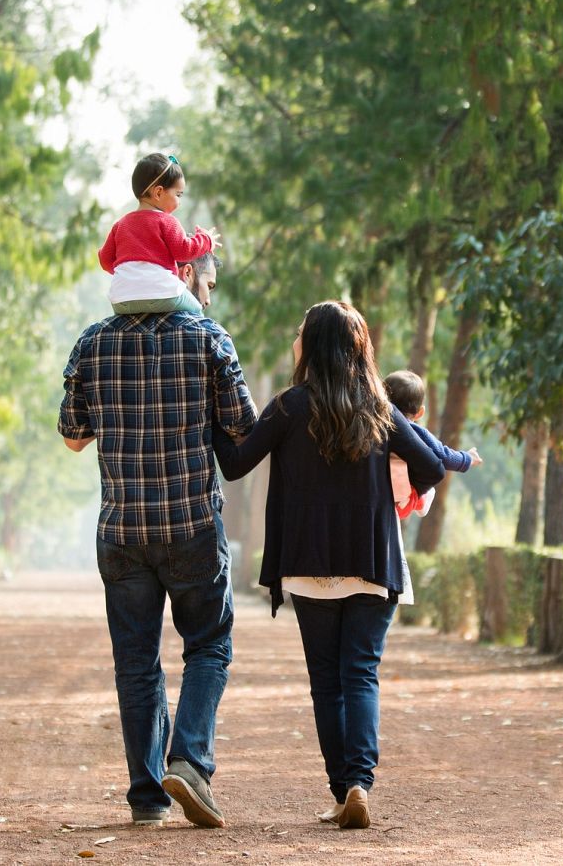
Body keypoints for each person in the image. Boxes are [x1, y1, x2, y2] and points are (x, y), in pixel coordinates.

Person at [212, 301, 445, 830]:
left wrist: (209, 415)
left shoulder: (288, 407)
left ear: (314, 346)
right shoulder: (379, 408)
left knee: (326, 682)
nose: (295, 341)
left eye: (301, 333)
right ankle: (360, 782)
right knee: (360, 672)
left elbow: (236, 464)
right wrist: (394, 490)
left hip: (308, 562)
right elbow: (432, 466)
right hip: (371, 559)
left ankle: (343, 791)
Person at [58, 262, 256, 830]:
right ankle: (189, 761)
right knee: (209, 647)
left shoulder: (93, 341)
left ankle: (147, 798)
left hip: (122, 531)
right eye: (208, 283)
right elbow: (243, 425)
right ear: (185, 272)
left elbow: (73, 436)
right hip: (191, 525)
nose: (209, 295)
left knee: (136, 662)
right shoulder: (209, 339)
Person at [97, 152, 221, 315]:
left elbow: (105, 260)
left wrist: (129, 274)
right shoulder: (167, 221)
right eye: (178, 195)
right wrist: (206, 240)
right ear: (158, 193)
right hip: (161, 294)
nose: (179, 201)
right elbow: (184, 251)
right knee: (196, 310)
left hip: (121, 299)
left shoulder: (120, 225)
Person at [381, 370, 484, 516]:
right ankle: (421, 500)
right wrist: (467, 458)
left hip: (380, 495)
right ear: (420, 413)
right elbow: (444, 455)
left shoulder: (374, 428)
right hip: (403, 502)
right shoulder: (417, 432)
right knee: (428, 489)